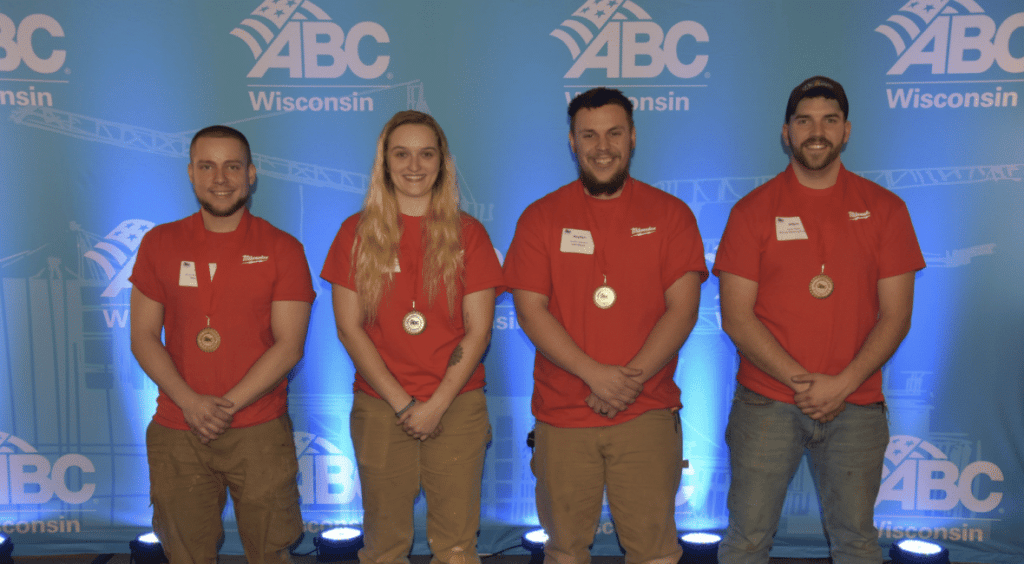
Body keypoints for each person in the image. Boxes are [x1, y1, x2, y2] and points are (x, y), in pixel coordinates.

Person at [713, 76, 926, 564]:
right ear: (785, 132)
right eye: (804, 120)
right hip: (767, 401)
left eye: (829, 120)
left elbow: (896, 316)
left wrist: (843, 384)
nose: (816, 131)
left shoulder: (887, 210)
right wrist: (806, 384)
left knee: (856, 543)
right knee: (746, 541)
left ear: (846, 131)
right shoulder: (751, 212)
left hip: (858, 403)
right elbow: (737, 318)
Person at [504, 87, 706, 564]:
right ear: (572, 143)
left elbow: (683, 309)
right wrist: (596, 375)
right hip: (563, 414)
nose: (602, 146)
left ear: (633, 138)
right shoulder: (540, 218)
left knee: (655, 552)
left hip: (647, 411)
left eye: (614, 133)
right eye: (588, 135)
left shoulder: (671, 215)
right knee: (565, 551)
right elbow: (531, 311)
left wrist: (625, 382)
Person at [321, 110, 504, 564]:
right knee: (384, 547)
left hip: (457, 405)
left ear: (443, 162)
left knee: (457, 546)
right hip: (382, 406)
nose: (414, 166)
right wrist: (405, 405)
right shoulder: (355, 233)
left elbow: (478, 331)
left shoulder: (470, 234)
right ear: (384, 162)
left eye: (426, 154)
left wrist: (436, 404)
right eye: (401, 154)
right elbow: (349, 328)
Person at [130, 125, 315, 563]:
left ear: (251, 174)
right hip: (178, 428)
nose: (220, 178)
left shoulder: (282, 248)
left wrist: (223, 407)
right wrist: (191, 404)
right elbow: (141, 337)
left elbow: (289, 346)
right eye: (207, 166)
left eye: (232, 166)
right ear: (191, 174)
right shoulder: (159, 243)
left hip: (259, 428)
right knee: (186, 554)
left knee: (271, 552)